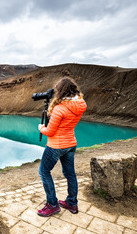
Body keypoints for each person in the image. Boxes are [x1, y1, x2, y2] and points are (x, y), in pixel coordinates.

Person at [37, 77, 87, 217]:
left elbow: (50, 131)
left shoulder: (59, 109)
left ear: (60, 91)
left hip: (56, 145)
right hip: (71, 143)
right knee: (70, 174)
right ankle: (72, 202)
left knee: (44, 172)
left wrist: (41, 127)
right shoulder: (80, 104)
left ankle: (52, 205)